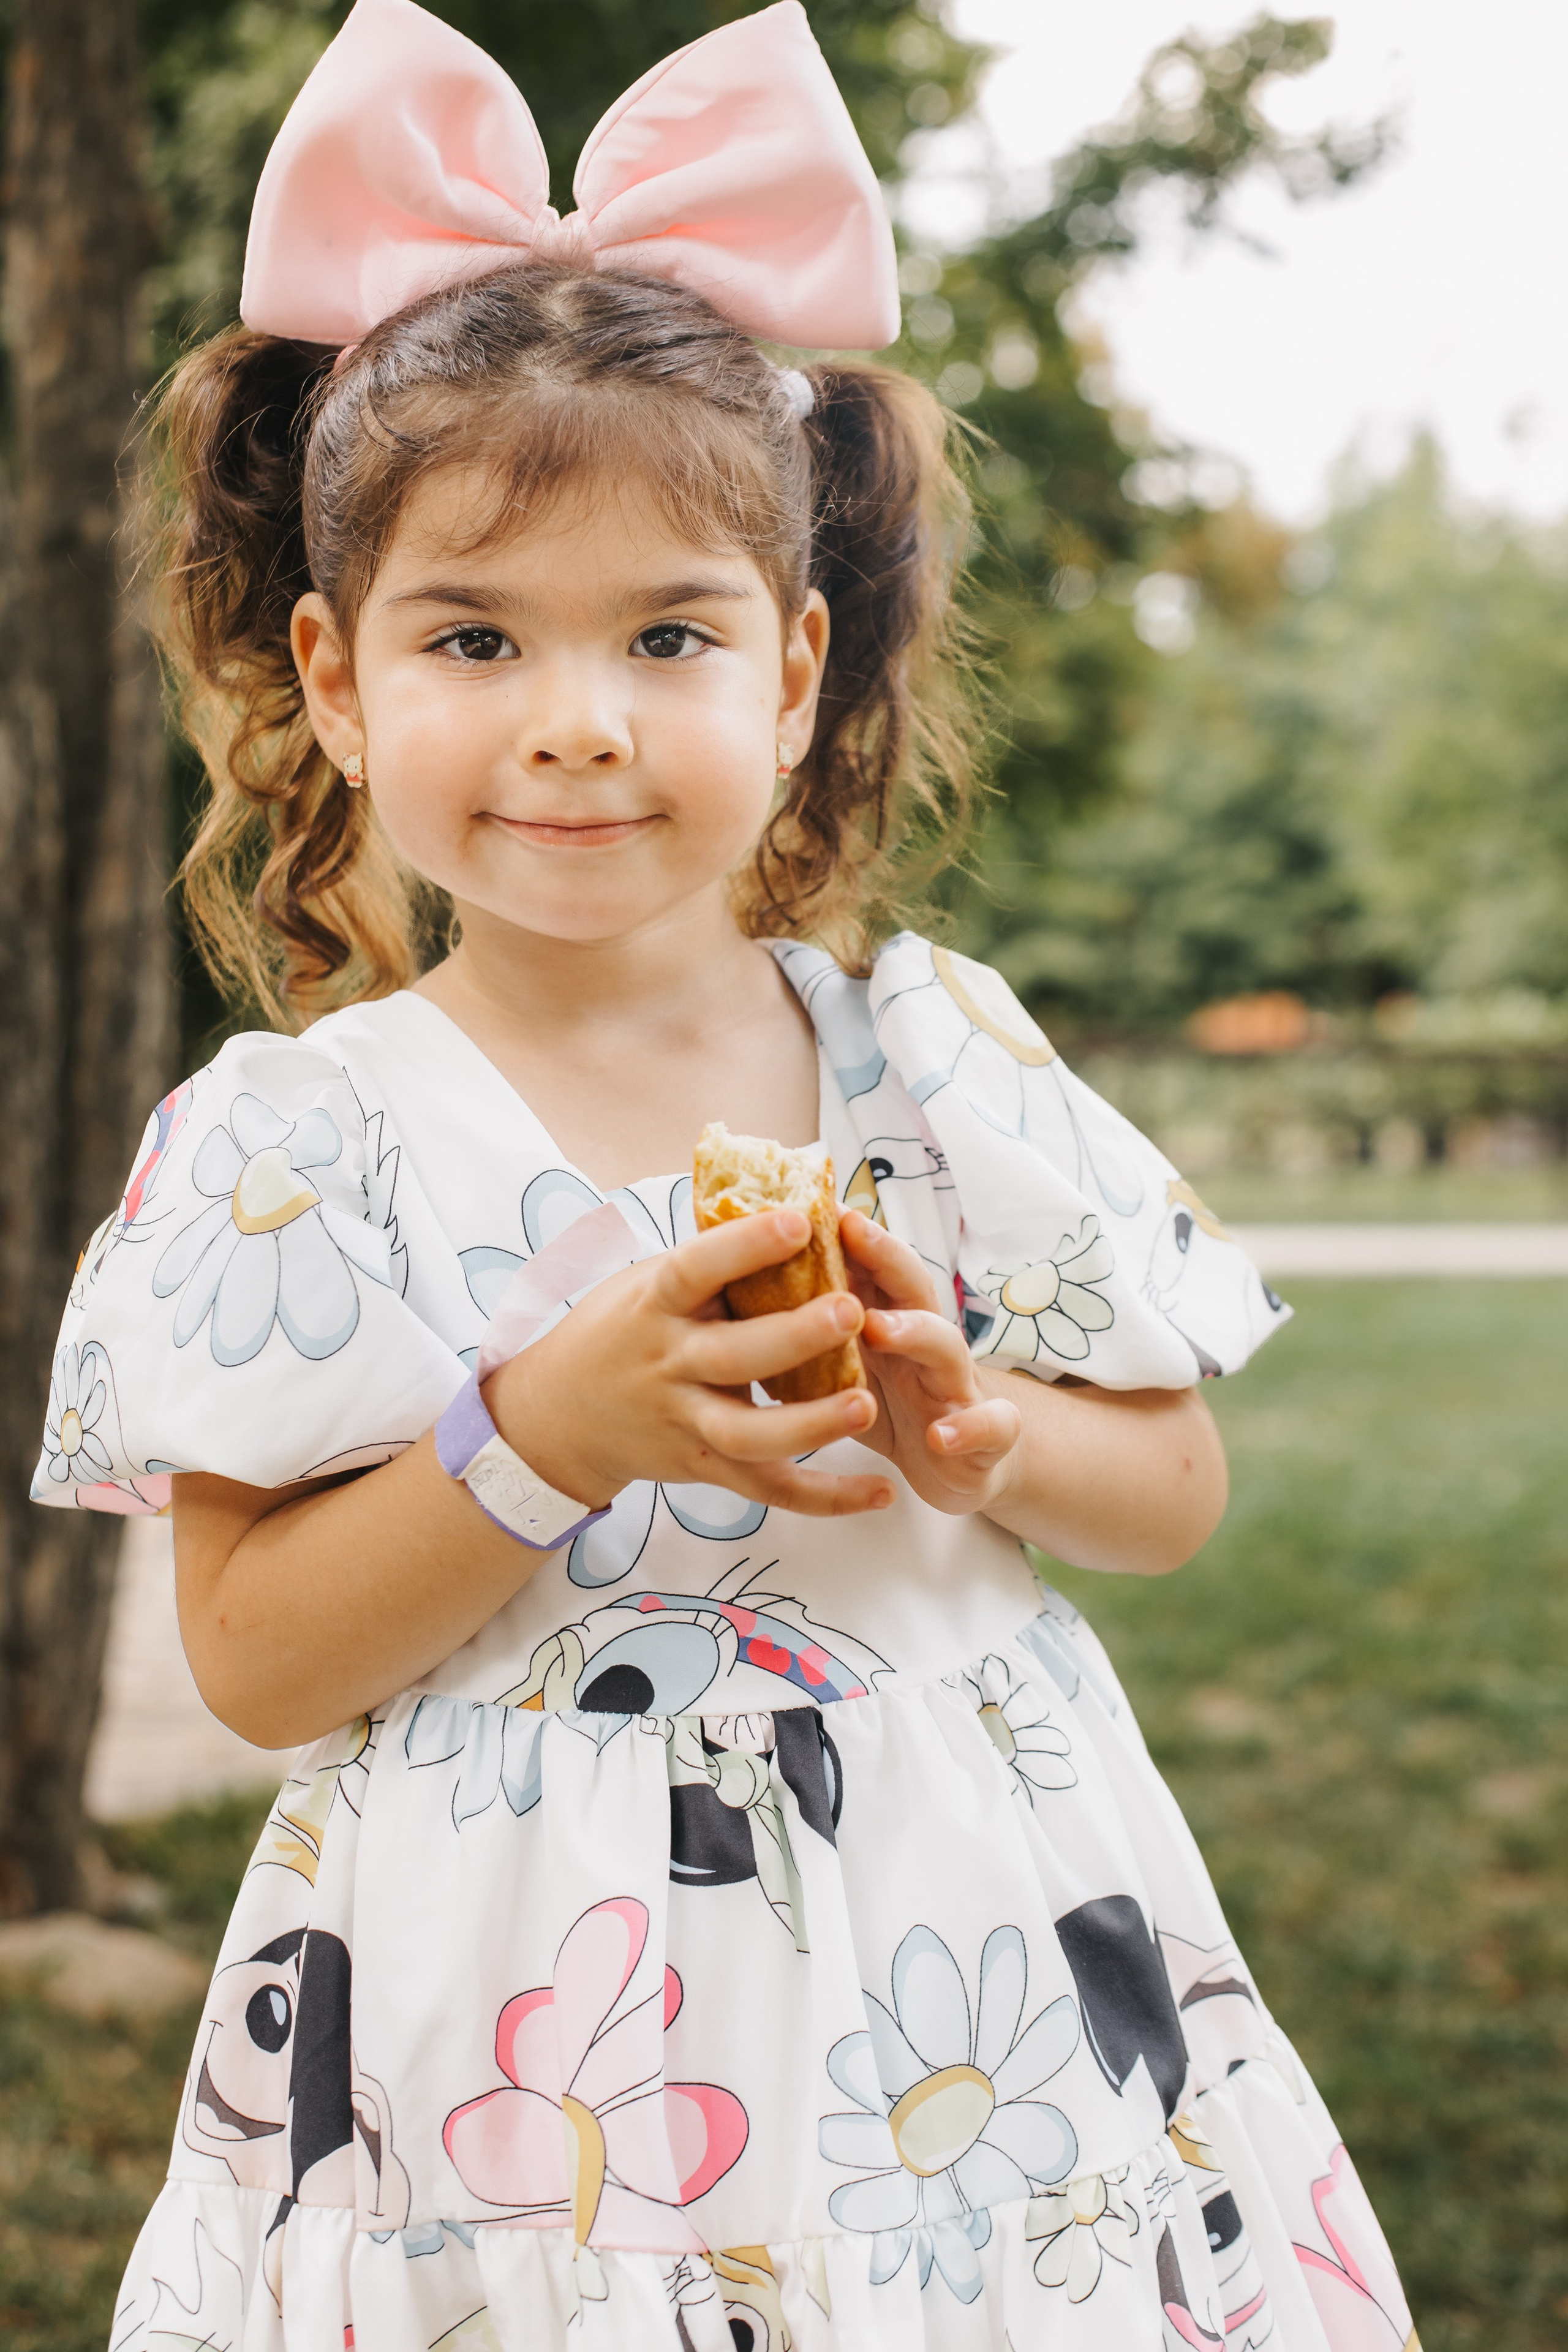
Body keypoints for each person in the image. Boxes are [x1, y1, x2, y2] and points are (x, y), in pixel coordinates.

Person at [35, 4, 1419, 2345]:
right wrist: (541, 1429)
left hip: (963, 2009)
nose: (576, 714)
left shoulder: (934, 1061)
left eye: (664, 635)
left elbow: (1168, 1488)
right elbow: (257, 1658)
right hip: (512, 2051)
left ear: (788, 679)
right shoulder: (304, 1145)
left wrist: (978, 1429)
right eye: (474, 634)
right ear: (339, 680)